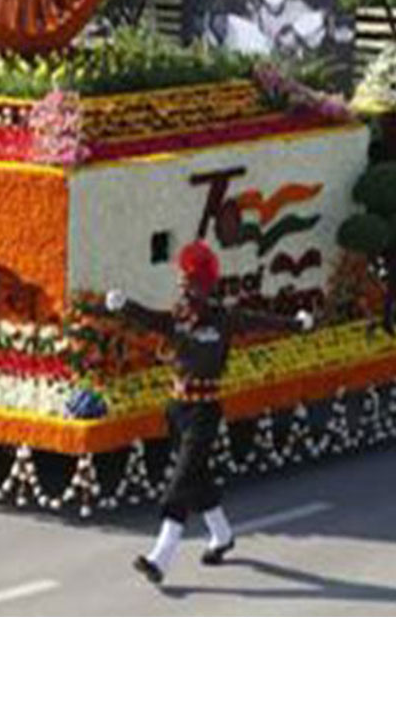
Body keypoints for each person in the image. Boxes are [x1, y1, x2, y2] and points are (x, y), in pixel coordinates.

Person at [96, 241, 315, 584]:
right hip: (177, 409)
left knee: (181, 480)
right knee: (196, 478)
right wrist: (124, 306)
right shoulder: (179, 318)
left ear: (204, 286)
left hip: (204, 412)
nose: (184, 291)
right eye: (182, 285)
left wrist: (297, 324)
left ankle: (161, 557)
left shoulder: (225, 319)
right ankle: (223, 536)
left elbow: (262, 321)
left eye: (190, 285)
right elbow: (152, 320)